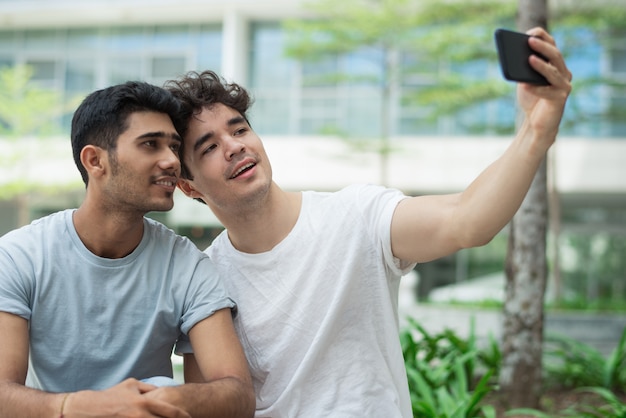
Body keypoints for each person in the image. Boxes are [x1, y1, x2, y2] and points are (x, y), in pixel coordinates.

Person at [166, 27, 572, 417]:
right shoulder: (206, 280)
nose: (234, 147)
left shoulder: (356, 215)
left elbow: (467, 220)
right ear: (188, 186)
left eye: (240, 130)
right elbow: (213, 404)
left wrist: (536, 130)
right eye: (210, 147)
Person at [0, 81, 255, 418]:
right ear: (95, 161)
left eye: (174, 147)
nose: (171, 161)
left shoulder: (187, 264)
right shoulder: (20, 256)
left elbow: (237, 393)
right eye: (150, 144)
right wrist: (80, 407)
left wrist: (158, 399)